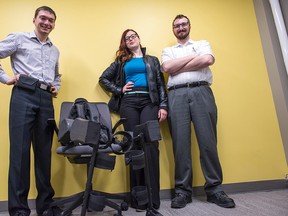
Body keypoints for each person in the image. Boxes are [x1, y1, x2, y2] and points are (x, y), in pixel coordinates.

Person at [161, 14, 235, 209]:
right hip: (176, 96)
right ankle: (182, 192)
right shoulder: (168, 50)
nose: (181, 27)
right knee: (181, 145)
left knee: (208, 142)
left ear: (189, 26)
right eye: (177, 25)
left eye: (184, 24)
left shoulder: (202, 43)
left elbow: (208, 60)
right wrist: (195, 57)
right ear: (173, 30)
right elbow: (167, 67)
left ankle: (214, 190)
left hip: (201, 91)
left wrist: (181, 65)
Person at [0, 6, 61, 216]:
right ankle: (18, 210)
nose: (47, 23)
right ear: (34, 19)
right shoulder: (19, 38)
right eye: (43, 18)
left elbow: (57, 75)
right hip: (23, 94)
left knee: (44, 154)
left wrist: (56, 88)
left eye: (51, 20)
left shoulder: (55, 49)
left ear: (54, 24)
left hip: (46, 99)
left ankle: (46, 206)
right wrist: (6, 78)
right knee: (20, 153)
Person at [99, 29, 168, 211]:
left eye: (133, 36)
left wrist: (163, 106)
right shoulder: (122, 61)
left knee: (151, 145)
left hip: (149, 103)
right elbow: (103, 79)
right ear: (124, 43)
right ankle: (139, 200)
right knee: (133, 147)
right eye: (126, 38)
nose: (130, 39)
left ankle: (153, 200)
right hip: (129, 104)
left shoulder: (152, 60)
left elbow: (160, 84)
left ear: (138, 38)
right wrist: (120, 89)